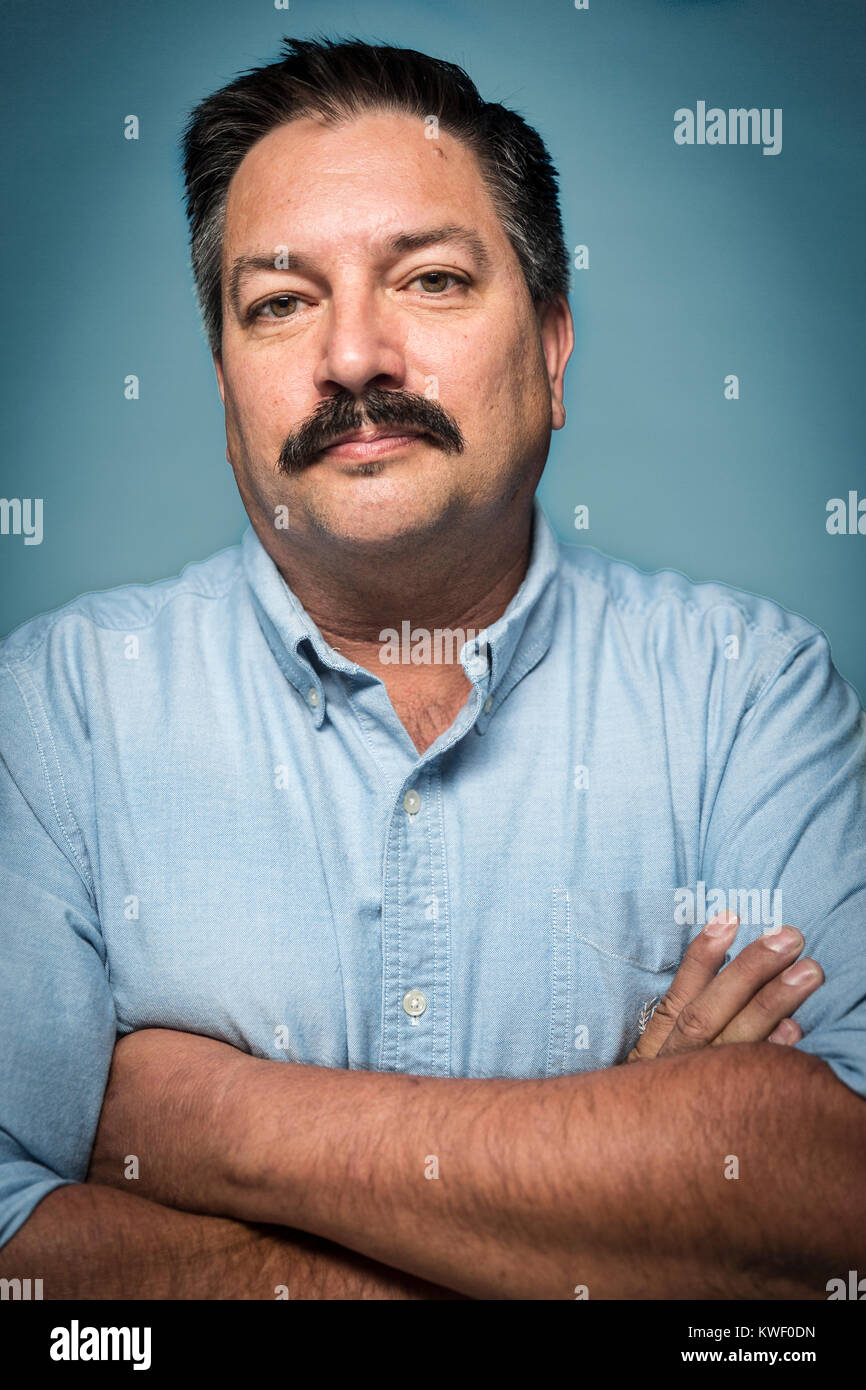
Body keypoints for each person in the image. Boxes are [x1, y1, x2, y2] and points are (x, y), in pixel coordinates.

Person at [1, 37, 864, 1300]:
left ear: (554, 350)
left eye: (432, 279)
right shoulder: (52, 713)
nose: (352, 359)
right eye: (279, 302)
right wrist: (613, 1182)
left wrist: (206, 1116)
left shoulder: (748, 688)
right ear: (222, 381)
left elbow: (833, 1193)